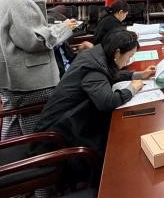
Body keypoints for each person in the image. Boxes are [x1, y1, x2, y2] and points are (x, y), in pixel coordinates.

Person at [35, 30, 155, 158]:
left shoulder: (98, 53)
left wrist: (138, 75)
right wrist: (132, 88)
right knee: (122, 145)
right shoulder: (94, 69)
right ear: (117, 52)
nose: (129, 60)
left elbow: (109, 73)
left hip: (72, 121)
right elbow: (108, 102)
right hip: (58, 137)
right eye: (129, 56)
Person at [0, 0, 78, 139]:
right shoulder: (21, 2)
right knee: (39, 129)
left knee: (15, 121)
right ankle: (39, 155)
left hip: (12, 77)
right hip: (32, 80)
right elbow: (35, 41)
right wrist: (64, 28)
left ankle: (11, 153)